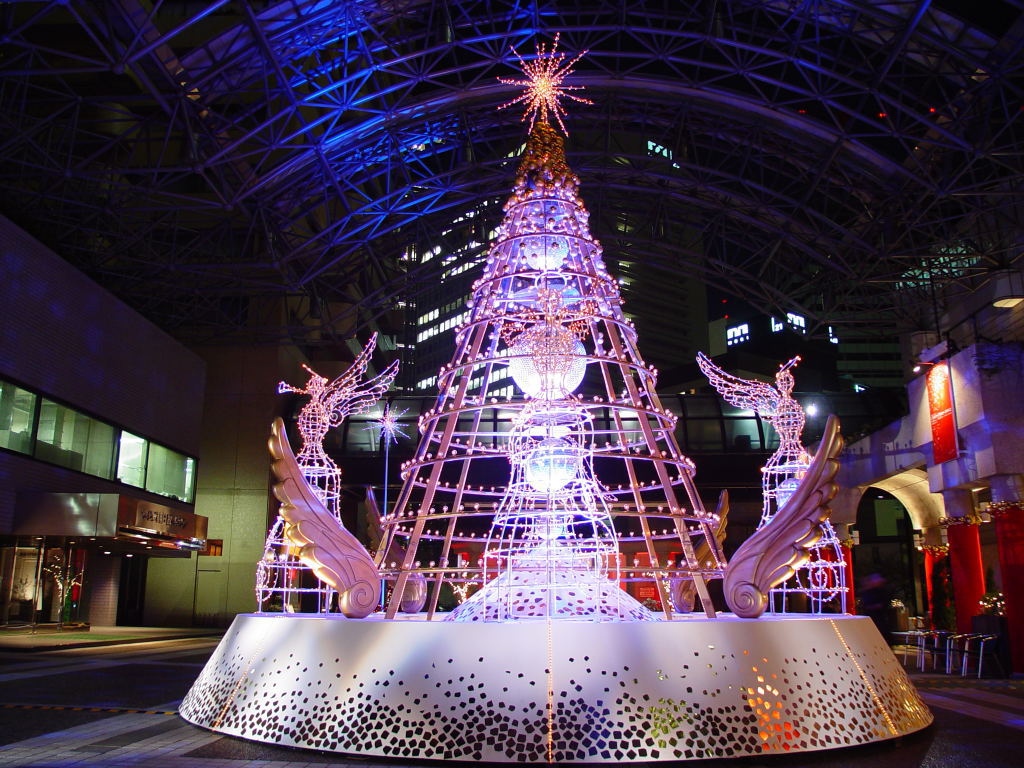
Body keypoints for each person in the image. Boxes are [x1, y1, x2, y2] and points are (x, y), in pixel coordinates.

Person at [860, 573, 894, 640]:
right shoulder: (870, 592)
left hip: (878, 619)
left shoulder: (879, 592)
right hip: (874, 619)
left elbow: (882, 604)